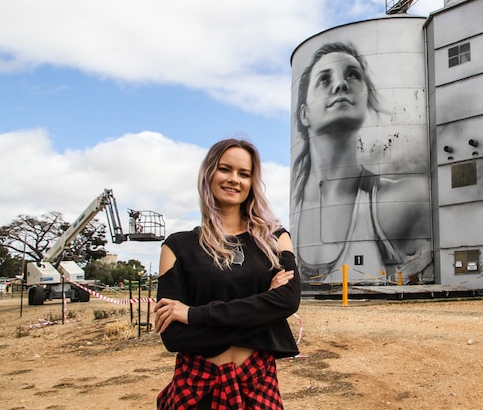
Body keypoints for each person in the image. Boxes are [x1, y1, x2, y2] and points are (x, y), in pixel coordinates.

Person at [154, 138, 300, 409]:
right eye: (225, 169)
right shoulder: (177, 246)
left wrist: (192, 315)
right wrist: (265, 311)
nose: (234, 179)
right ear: (208, 173)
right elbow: (174, 337)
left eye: (244, 174)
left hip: (257, 384)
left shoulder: (275, 239)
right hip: (198, 387)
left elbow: (288, 302)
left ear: (252, 182)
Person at [292, 42, 431, 284]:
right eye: (324, 79)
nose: (340, 84)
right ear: (305, 114)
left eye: (352, 75)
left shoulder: (403, 198)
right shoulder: (294, 204)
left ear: (365, 99)